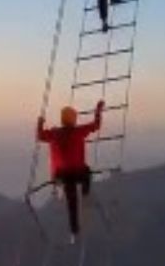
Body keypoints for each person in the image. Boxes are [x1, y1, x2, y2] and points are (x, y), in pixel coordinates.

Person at [36, 101, 104, 240]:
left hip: (60, 176)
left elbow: (40, 136)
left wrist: (40, 122)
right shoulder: (79, 131)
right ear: (73, 119)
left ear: (62, 119)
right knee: (87, 172)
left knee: (71, 202)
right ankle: (85, 193)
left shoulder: (54, 133)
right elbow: (96, 125)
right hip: (77, 173)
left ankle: (74, 231)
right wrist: (98, 110)